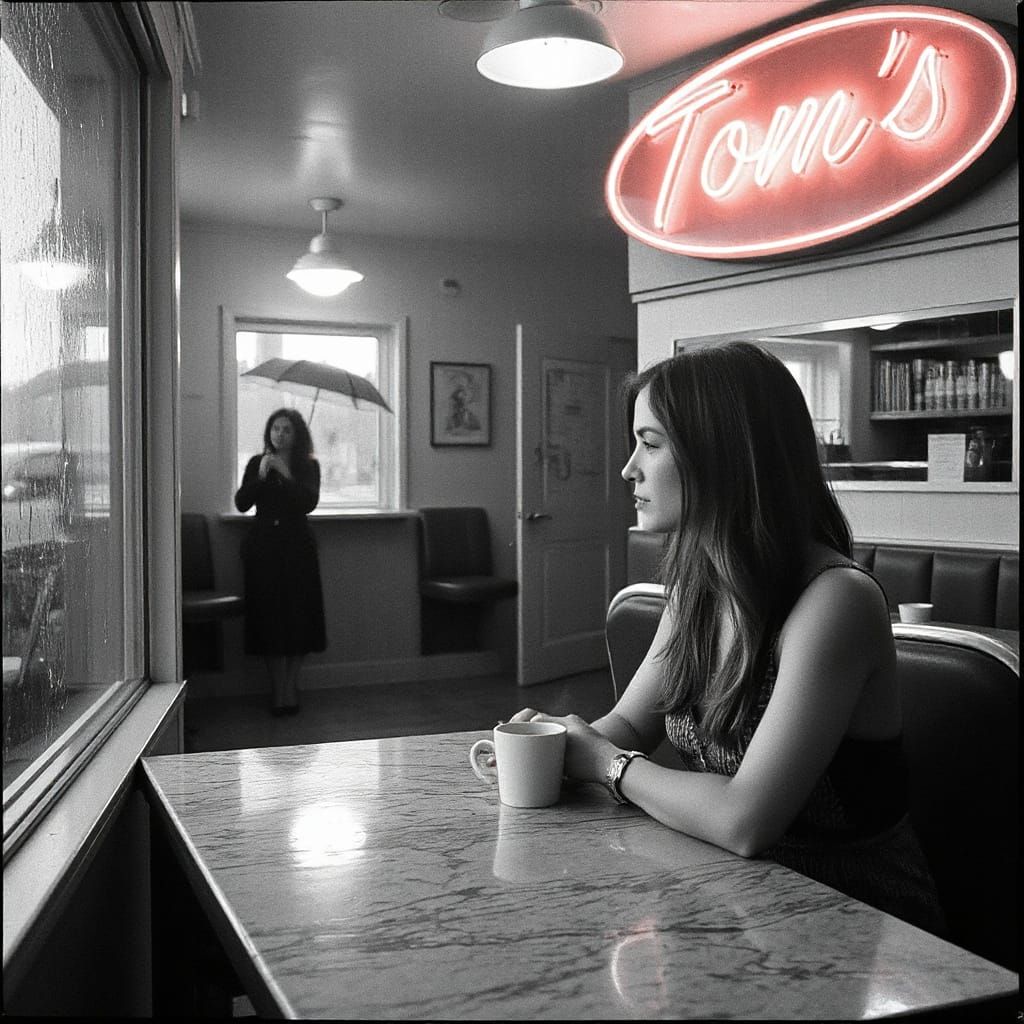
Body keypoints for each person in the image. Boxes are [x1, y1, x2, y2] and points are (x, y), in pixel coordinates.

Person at [509, 342, 946, 935]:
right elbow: (632, 725)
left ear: (721, 457)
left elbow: (746, 820)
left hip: (853, 916)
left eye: (651, 443)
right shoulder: (698, 587)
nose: (628, 468)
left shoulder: (834, 601)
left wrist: (608, 765)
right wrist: (551, 744)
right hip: (732, 895)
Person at [234, 408, 326, 715]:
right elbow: (242, 503)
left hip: (297, 549)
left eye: (286, 430)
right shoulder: (255, 463)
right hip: (264, 550)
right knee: (269, 621)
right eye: (275, 429)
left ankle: (290, 687)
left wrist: (287, 475)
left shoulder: (308, 465)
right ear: (268, 432)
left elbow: (308, 503)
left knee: (298, 620)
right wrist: (261, 475)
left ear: (296, 434)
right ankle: (278, 690)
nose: (280, 435)